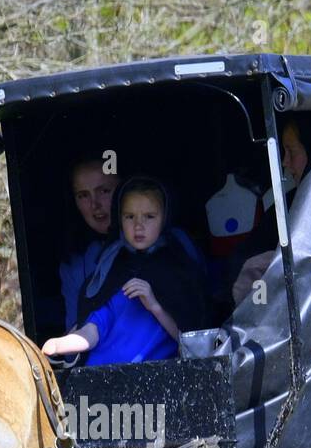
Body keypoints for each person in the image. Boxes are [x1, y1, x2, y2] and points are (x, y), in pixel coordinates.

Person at [43, 177, 206, 366]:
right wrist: (60, 344)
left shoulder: (180, 272)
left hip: (160, 382)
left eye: (149, 216)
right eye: (130, 216)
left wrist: (154, 305)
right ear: (119, 219)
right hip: (103, 379)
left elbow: (193, 344)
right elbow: (94, 329)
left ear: (165, 218)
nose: (138, 225)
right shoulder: (110, 270)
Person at [228, 118, 311, 307]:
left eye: (291, 151)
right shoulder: (285, 206)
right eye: (284, 152)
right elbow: (244, 261)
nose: (285, 162)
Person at [58, 157, 121, 332]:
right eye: (83, 195)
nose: (95, 205)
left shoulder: (170, 242)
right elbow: (74, 332)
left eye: (104, 191)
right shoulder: (74, 265)